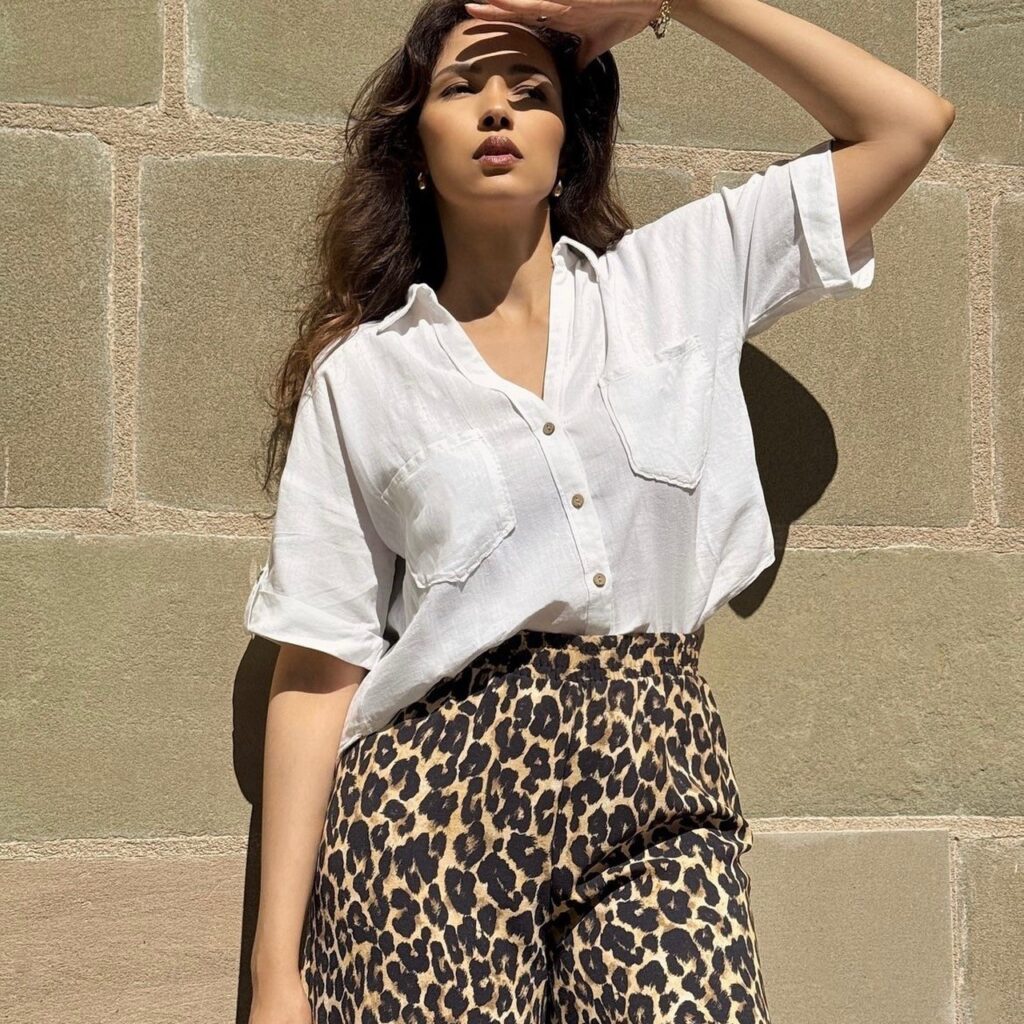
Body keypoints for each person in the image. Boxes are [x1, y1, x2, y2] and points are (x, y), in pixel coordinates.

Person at [243, 1, 954, 1021]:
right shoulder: (363, 378)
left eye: (530, 93)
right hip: (431, 815)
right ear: (414, 145)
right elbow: (316, 666)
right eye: (462, 89)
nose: (497, 110)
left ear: (567, 143)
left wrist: (669, 0)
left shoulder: (677, 279)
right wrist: (277, 971)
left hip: (657, 769)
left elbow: (907, 125)